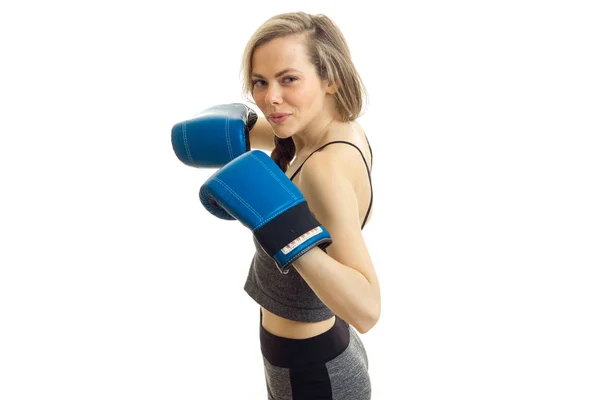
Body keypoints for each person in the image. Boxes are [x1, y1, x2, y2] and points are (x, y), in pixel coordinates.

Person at [172, 11, 379, 399]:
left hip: (313, 374)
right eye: (260, 83)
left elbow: (367, 309)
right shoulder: (324, 129)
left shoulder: (324, 171)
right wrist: (236, 129)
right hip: (313, 351)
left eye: (289, 79)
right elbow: (258, 131)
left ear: (330, 78)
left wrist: (288, 233)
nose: (271, 99)